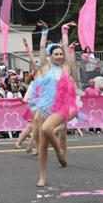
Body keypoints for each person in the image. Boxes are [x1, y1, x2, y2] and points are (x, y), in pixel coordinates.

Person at [23, 20, 78, 187]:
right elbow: (40, 51)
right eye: (56, 54)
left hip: (59, 108)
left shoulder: (66, 69)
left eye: (61, 54)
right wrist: (44, 33)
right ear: (50, 56)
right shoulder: (44, 68)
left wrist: (64, 32)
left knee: (48, 129)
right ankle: (42, 176)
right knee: (43, 144)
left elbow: (68, 55)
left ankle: (60, 152)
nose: (60, 56)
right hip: (44, 108)